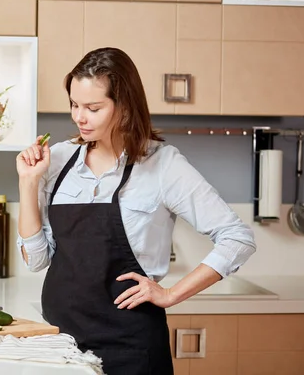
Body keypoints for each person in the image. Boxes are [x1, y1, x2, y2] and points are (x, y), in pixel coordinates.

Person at [16, 47, 256, 375]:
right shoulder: (56, 160)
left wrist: (171, 294)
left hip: (131, 348)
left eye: (93, 107)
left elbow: (237, 237)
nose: (78, 117)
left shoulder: (163, 165)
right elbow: (37, 260)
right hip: (59, 344)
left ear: (125, 105)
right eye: (74, 104)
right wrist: (28, 183)